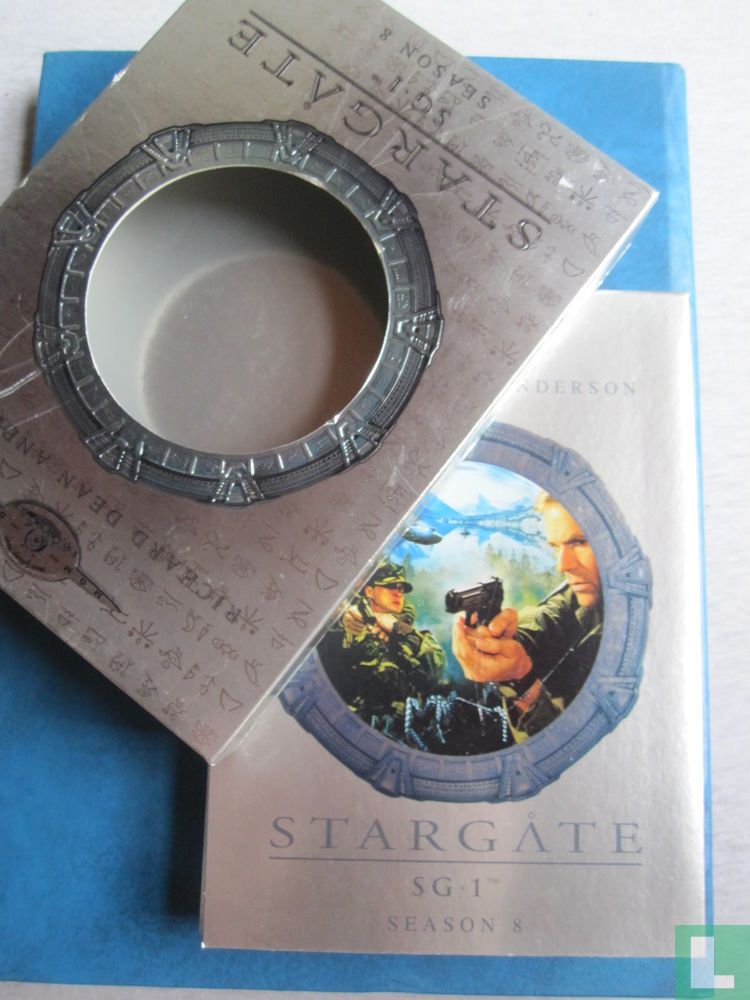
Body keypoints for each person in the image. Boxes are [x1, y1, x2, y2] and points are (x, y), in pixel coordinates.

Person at [451, 492, 603, 739]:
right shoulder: (588, 589)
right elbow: (551, 615)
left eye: (579, 542)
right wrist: (508, 639)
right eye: (556, 547)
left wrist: (523, 683)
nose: (563, 565)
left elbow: (570, 745)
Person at [319, 559, 446, 741]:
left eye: (401, 588)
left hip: (402, 731)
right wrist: (341, 621)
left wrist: (398, 628)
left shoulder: (405, 632)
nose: (398, 592)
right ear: (369, 591)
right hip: (353, 728)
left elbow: (434, 670)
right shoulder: (348, 622)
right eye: (390, 586)